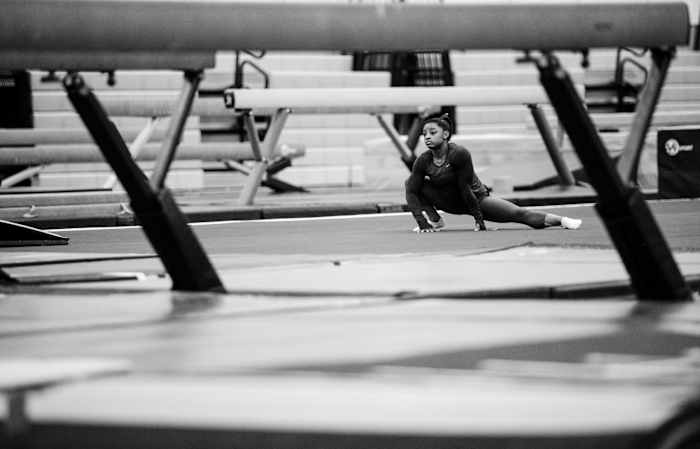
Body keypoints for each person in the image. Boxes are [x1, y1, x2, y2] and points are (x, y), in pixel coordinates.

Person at [405, 113, 582, 233]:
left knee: (519, 215)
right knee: (411, 183)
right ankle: (435, 220)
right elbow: (411, 191)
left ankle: (562, 221)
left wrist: (479, 221)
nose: (427, 137)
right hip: (449, 201)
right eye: (424, 133)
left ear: (445, 134)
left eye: (432, 132)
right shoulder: (424, 160)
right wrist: (422, 222)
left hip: (476, 199)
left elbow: (465, 188)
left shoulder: (459, 154)